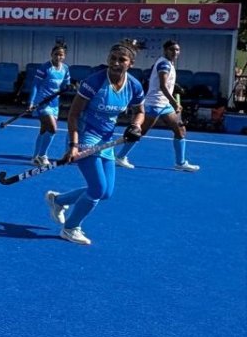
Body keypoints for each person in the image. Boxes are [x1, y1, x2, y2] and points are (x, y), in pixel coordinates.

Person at [45, 40, 145, 246]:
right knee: (97, 189)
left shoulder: (134, 86)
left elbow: (140, 112)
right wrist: (73, 145)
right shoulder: (95, 82)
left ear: (130, 63)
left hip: (107, 139)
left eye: (122, 60)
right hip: (84, 136)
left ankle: (58, 200)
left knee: (106, 192)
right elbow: (73, 115)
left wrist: (136, 126)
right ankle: (70, 228)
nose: (116, 63)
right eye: (113, 58)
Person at [114, 40, 198, 172]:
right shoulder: (163, 64)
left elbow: (166, 85)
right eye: (172, 50)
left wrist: (173, 90)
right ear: (165, 50)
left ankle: (180, 163)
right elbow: (162, 85)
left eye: (177, 50)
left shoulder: (168, 63)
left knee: (180, 130)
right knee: (138, 133)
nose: (175, 52)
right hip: (154, 104)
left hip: (164, 105)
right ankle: (120, 157)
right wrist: (174, 102)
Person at [28, 43, 74, 168]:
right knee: (53, 128)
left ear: (64, 56)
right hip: (42, 102)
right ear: (51, 55)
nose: (58, 57)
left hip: (54, 103)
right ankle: (42, 156)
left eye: (61, 55)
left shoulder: (65, 68)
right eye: (56, 54)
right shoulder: (44, 68)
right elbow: (36, 85)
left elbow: (65, 85)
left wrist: (69, 87)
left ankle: (34, 157)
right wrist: (31, 102)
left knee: (44, 130)